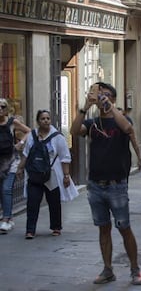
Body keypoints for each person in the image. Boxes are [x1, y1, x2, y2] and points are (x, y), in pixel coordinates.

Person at [70, 82, 141, 285]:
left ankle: (135, 269)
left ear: (112, 98)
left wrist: (110, 108)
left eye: (105, 94)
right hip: (95, 185)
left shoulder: (122, 120)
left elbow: (128, 128)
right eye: (98, 93)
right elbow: (75, 130)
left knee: (124, 227)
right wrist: (84, 107)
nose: (100, 97)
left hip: (116, 185)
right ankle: (107, 269)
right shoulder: (93, 123)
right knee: (103, 228)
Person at [16, 110, 72, 239]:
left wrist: (66, 175)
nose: (46, 121)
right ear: (38, 121)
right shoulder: (32, 136)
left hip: (51, 175)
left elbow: (65, 157)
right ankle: (30, 230)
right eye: (43, 119)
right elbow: (26, 154)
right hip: (34, 174)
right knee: (32, 203)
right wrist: (20, 168)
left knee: (54, 202)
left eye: (48, 118)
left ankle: (56, 227)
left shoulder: (57, 137)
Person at [0, 100, 31, 233]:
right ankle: (8, 216)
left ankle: (6, 218)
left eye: (2, 107)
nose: (0, 109)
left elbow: (29, 131)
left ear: (7, 109)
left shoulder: (12, 122)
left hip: (11, 161)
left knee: (6, 189)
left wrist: (21, 143)